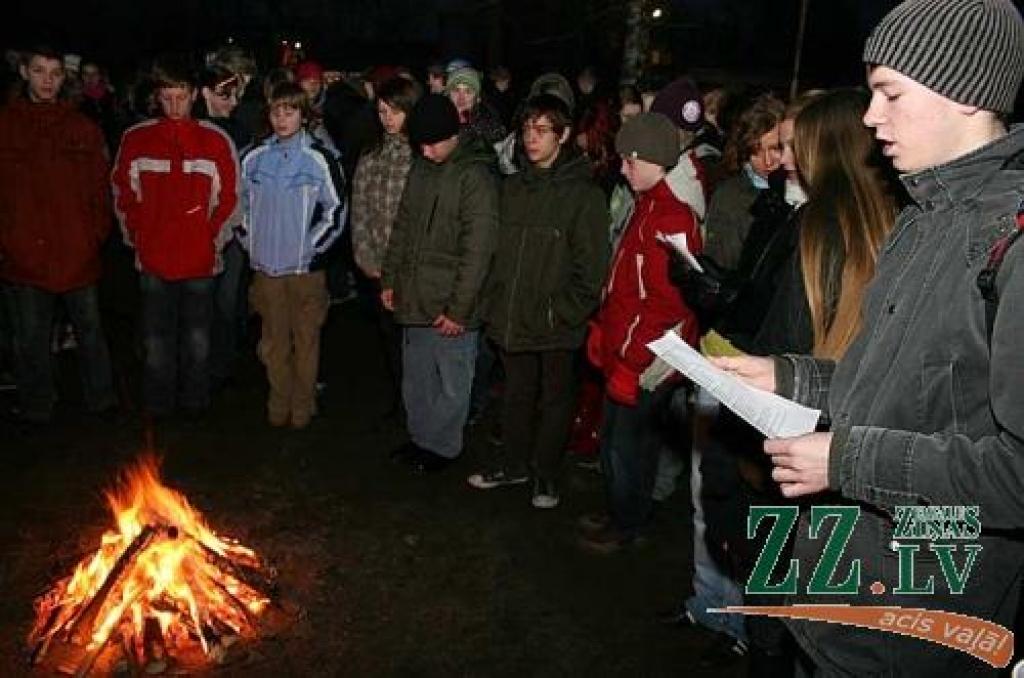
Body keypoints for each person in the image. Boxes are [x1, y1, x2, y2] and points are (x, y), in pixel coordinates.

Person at [715, 1, 1024, 674]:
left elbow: (1016, 474)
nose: (869, 117)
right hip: (839, 601)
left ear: (964, 92)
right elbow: (891, 384)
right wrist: (785, 376)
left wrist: (847, 461)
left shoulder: (1013, 242)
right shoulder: (919, 218)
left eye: (889, 93)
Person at [466, 93, 608, 508]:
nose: (531, 137)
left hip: (555, 323)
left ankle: (546, 473)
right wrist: (493, 299)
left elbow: (592, 270)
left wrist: (559, 311)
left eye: (542, 130)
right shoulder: (512, 187)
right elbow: (495, 252)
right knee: (515, 394)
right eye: (527, 128)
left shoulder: (584, 196)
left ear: (562, 137)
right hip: (511, 314)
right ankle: (513, 466)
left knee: (556, 400)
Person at [580, 112, 703, 553]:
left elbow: (666, 306)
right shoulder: (648, 203)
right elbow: (628, 283)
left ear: (654, 160)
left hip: (646, 358)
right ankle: (622, 509)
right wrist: (604, 327)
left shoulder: (671, 217)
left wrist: (630, 361)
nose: (624, 169)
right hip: (627, 347)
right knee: (619, 440)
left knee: (625, 447)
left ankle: (628, 523)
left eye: (630, 161)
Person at [111, 54, 239, 420]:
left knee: (197, 338)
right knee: (156, 338)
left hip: (200, 259)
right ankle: (158, 405)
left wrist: (212, 240)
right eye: (167, 97)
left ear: (195, 94)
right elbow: (122, 193)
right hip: (153, 257)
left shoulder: (215, 140)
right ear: (157, 96)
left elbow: (230, 197)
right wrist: (137, 236)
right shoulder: (137, 139)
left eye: (181, 96)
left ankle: (195, 403)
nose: (174, 105)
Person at [381, 94, 498, 473]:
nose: (426, 152)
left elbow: (478, 250)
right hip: (415, 294)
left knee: (450, 381)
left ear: (454, 135)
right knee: (417, 378)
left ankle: (443, 448)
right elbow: (403, 226)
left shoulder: (475, 177)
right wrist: (391, 278)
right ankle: (420, 440)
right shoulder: (422, 167)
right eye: (421, 145)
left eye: (433, 144)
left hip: (451, 302)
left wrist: (459, 309)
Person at [0, 45, 116, 423]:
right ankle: (37, 405)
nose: (47, 81)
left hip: (76, 249)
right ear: (24, 72)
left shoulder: (82, 128)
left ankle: (102, 401)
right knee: (31, 338)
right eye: (39, 71)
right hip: (25, 253)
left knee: (90, 332)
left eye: (54, 73)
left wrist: (94, 236)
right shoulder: (6, 125)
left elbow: (100, 189)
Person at [238, 82, 346, 429]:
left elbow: (337, 208)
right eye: (276, 112)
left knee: (306, 341)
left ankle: (302, 406)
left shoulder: (319, 157)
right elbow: (237, 206)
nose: (282, 119)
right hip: (266, 270)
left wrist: (312, 248)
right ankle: (278, 402)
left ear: (304, 114)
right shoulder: (253, 157)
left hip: (304, 272)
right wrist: (250, 241)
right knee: (273, 343)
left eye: (290, 111)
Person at [351, 76, 422, 417]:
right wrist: (366, 257)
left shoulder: (421, 157)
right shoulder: (371, 155)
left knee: (414, 341)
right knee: (390, 338)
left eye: (395, 111)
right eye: (382, 111)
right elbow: (360, 208)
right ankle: (400, 400)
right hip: (378, 265)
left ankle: (417, 404)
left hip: (411, 266)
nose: (388, 118)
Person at [445, 66, 506, 147]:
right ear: (448, 95)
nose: (461, 98)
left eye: (468, 92)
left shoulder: (490, 128)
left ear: (478, 98)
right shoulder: (436, 122)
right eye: (456, 90)